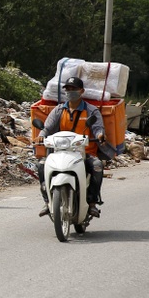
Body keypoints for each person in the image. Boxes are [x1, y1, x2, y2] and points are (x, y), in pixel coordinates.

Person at [36, 76, 106, 218]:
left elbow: (98, 128)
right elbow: (47, 127)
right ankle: (47, 200)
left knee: (97, 166)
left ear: (81, 91)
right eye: (67, 89)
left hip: (85, 153)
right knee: (41, 165)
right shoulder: (59, 110)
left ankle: (92, 203)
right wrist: (41, 135)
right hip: (61, 152)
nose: (70, 92)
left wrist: (100, 135)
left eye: (73, 89)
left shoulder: (91, 111)